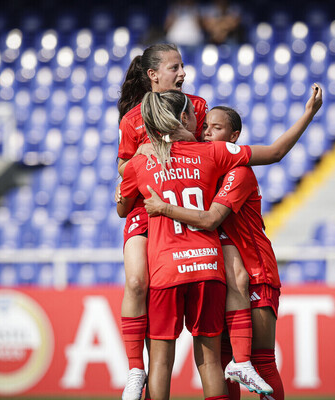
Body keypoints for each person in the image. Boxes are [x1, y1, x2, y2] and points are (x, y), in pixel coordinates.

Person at [118, 87, 321, 399]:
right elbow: (273, 154)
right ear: (184, 119)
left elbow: (127, 207)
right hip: (213, 272)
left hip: (208, 272)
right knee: (217, 362)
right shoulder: (212, 156)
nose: (206, 129)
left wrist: (145, 192)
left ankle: (136, 369)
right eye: (203, 124)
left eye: (215, 127)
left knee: (172, 364)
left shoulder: (227, 170)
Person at [116, 42, 208, 400]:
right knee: (137, 282)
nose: (182, 73)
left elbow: (208, 152)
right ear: (153, 75)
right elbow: (124, 168)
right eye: (174, 68)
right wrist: (140, 155)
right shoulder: (131, 119)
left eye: (182, 66)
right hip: (147, 209)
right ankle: (136, 370)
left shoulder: (196, 107)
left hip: (188, 211)